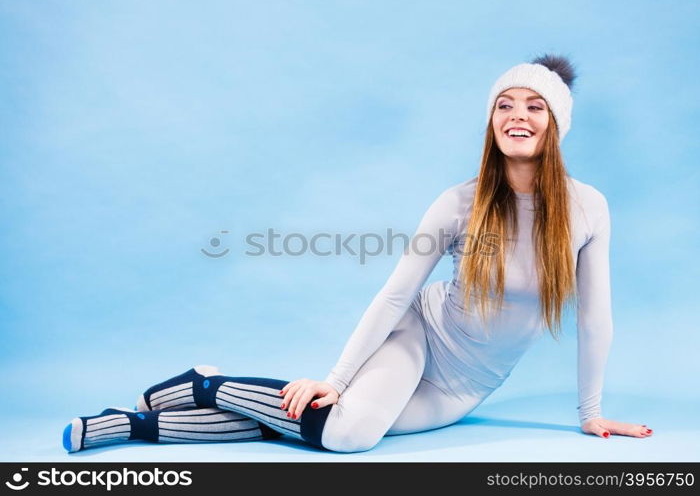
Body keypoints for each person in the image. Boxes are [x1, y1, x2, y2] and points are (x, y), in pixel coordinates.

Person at [62, 53, 652, 454]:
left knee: (308, 429)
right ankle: (203, 392)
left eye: (534, 106)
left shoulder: (587, 208)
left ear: (556, 124)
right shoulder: (457, 202)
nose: (517, 116)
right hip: (421, 335)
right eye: (505, 104)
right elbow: (396, 292)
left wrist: (589, 415)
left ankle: (154, 411)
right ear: (491, 119)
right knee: (348, 432)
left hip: (465, 387)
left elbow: (595, 320)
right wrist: (337, 379)